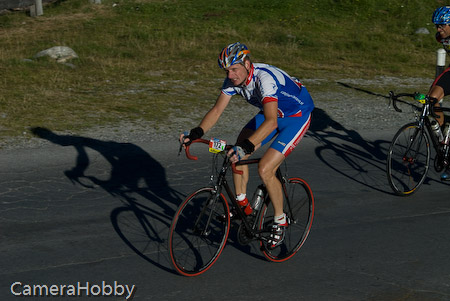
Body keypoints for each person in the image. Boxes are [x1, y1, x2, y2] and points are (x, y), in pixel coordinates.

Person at [180, 42, 314, 249]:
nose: (230, 75)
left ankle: (280, 220)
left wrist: (248, 146)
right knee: (235, 153)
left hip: (296, 116)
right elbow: (217, 110)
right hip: (271, 113)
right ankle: (243, 205)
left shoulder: (265, 79)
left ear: (247, 64)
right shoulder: (231, 81)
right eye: (227, 71)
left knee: (265, 168)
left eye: (234, 69)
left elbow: (271, 122)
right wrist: (196, 133)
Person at [431, 6, 450, 180]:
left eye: (442, 25)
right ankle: (444, 136)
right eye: (437, 25)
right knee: (430, 100)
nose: (438, 29)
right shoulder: (441, 38)